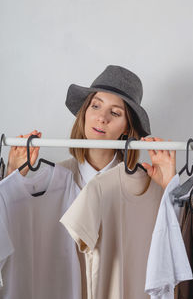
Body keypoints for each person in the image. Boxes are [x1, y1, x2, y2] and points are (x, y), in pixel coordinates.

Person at [6, 65, 176, 298]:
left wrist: (169, 189)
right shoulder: (47, 185)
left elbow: (175, 253)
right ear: (84, 112)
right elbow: (13, 238)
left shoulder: (146, 188)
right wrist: (13, 176)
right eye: (95, 105)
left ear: (127, 128)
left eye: (115, 113)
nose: (101, 118)